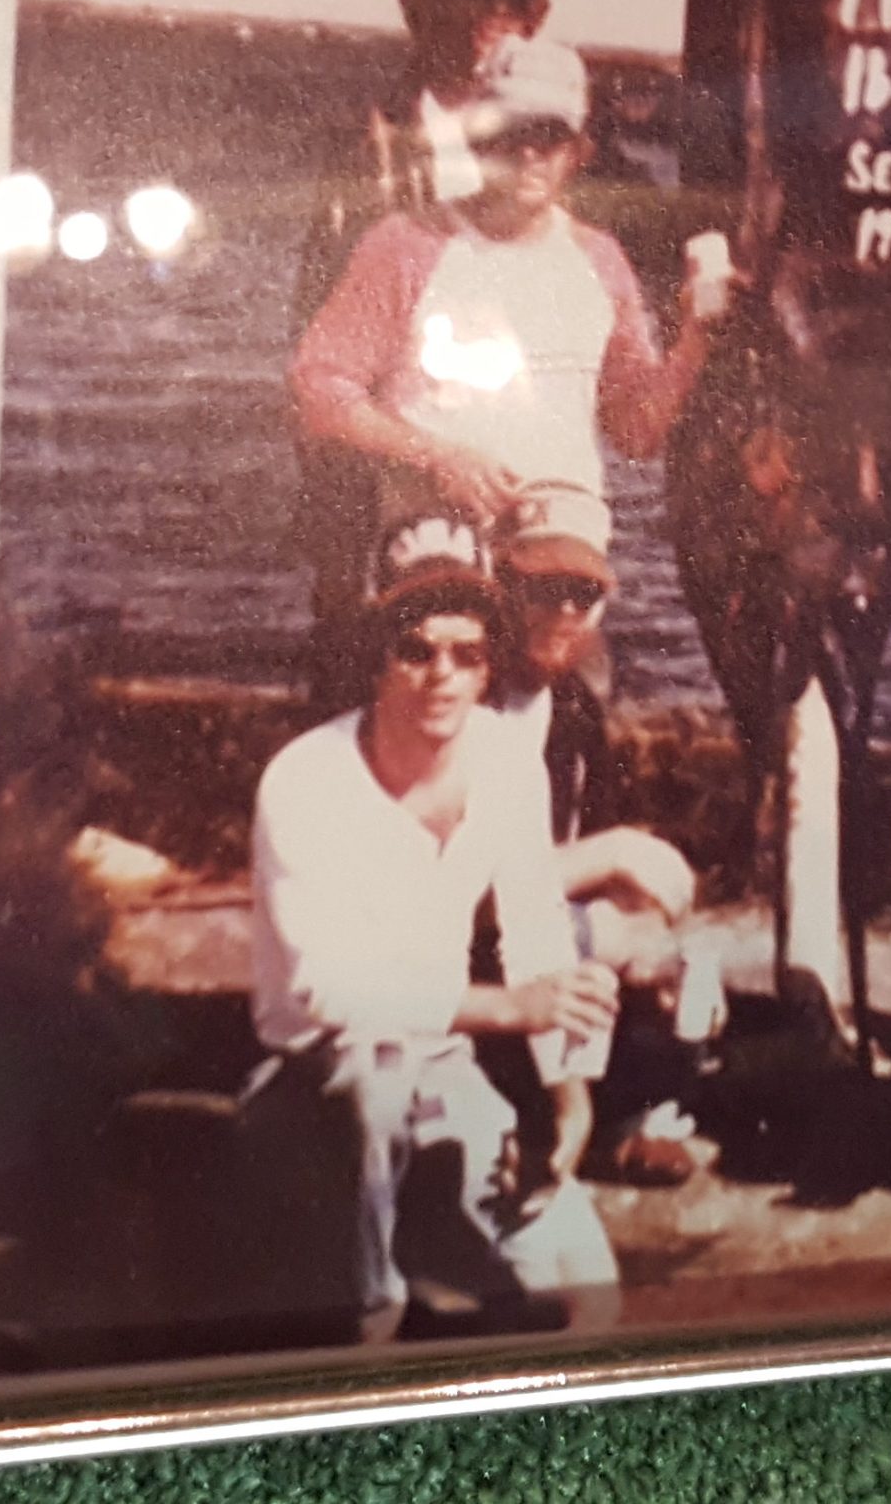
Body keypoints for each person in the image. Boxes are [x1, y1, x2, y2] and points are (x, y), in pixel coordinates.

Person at [245, 516, 621, 1340]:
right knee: (375, 1085)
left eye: (468, 652)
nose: (441, 675)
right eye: (415, 648)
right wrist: (512, 1012)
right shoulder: (305, 779)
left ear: (491, 666)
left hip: (445, 1062)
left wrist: (568, 1096)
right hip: (320, 1070)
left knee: (583, 1291)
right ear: (375, 656)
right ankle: (362, 1333)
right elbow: (324, 988)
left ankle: (432, 1249)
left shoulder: (505, 760)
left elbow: (535, 930)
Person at [289, 33, 718, 567]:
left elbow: (635, 431)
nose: (529, 154)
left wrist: (696, 341)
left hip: (559, 576)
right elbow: (318, 388)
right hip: (436, 568)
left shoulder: (600, 260)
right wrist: (438, 457)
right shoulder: (407, 244)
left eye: (548, 135)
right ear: (476, 140)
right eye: (510, 132)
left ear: (578, 152)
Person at [291, 0, 553, 634]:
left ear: (530, 18)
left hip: (507, 469)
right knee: (369, 668)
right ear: (428, 1)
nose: (488, 15)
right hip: (384, 478)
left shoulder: (550, 155)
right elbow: (322, 362)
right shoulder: (369, 143)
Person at [488, 497, 723, 1185]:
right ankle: (569, 1119)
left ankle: (611, 1117)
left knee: (670, 970)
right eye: (545, 590)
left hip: (542, 935)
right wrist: (613, 856)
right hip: (471, 949)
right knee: (596, 940)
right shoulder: (461, 703)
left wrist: (646, 930)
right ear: (501, 588)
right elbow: (451, 884)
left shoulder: (571, 709)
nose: (565, 613)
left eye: (584, 594)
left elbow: (588, 856)